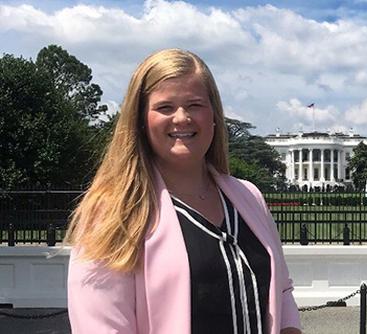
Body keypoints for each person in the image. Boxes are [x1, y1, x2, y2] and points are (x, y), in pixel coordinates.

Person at [65, 48, 302, 334]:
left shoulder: (247, 197)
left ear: (214, 115)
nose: (182, 118)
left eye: (195, 105)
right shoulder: (114, 212)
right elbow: (101, 326)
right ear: (141, 120)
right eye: (165, 107)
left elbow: (282, 293)